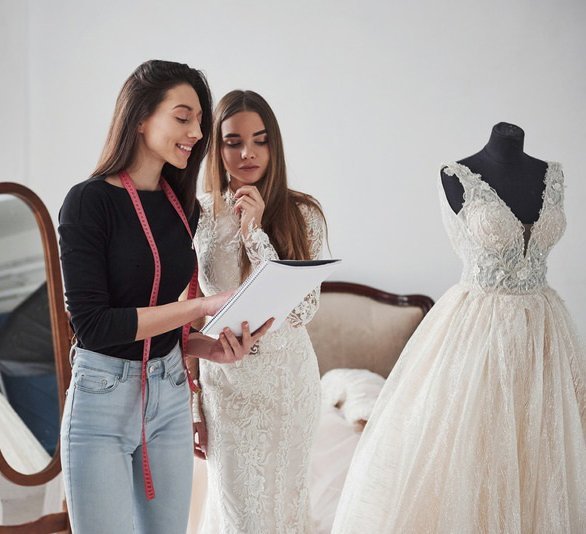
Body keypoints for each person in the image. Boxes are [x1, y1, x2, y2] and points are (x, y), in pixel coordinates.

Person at [332, 123, 586, 533]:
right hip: (479, 333)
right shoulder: (456, 174)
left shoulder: (551, 175)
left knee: (544, 454)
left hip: (545, 335)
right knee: (475, 454)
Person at [58, 60, 272, 534]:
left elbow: (162, 324)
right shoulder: (88, 202)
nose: (197, 132)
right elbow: (94, 326)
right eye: (182, 117)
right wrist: (201, 309)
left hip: (170, 393)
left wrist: (204, 346)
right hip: (102, 399)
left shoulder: (181, 208)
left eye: (199, 120)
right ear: (140, 118)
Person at [193, 90, 327, 533]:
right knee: (239, 516)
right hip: (225, 386)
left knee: (285, 510)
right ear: (217, 146)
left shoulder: (303, 212)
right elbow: (187, 311)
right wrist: (194, 400)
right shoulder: (198, 215)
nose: (247, 152)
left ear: (275, 145)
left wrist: (255, 231)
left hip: (288, 386)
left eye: (260, 140)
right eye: (233, 142)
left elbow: (304, 309)